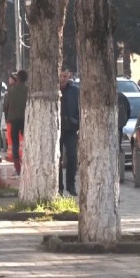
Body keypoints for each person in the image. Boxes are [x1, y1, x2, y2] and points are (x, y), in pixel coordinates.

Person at [59, 66, 80, 197]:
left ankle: (71, 185)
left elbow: (80, 107)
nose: (63, 79)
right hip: (57, 129)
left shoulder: (74, 91)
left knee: (72, 157)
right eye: (61, 76)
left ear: (69, 76)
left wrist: (77, 121)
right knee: (57, 158)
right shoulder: (53, 90)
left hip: (71, 129)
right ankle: (59, 187)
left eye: (65, 76)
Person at [3, 70, 28, 176]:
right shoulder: (28, 90)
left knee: (15, 143)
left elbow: (6, 106)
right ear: (26, 79)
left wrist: (7, 119)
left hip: (13, 120)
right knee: (27, 142)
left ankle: (17, 167)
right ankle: (27, 165)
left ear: (17, 78)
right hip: (25, 120)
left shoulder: (11, 90)